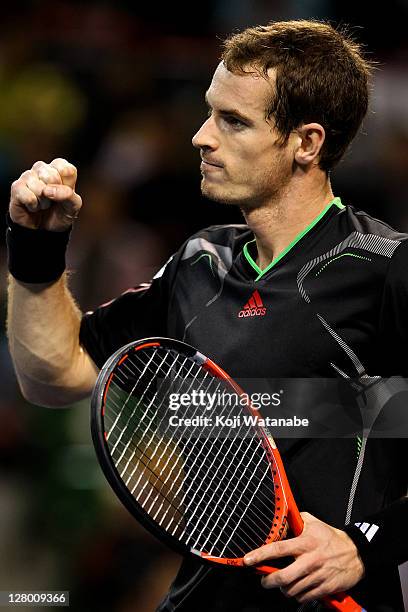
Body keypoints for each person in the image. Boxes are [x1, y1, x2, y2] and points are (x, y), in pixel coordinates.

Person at [6, 19, 408, 612]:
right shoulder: (200, 263)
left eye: (233, 121)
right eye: (208, 112)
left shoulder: (385, 270)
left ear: (307, 143)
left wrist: (364, 546)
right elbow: (54, 377)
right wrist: (35, 251)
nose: (200, 136)